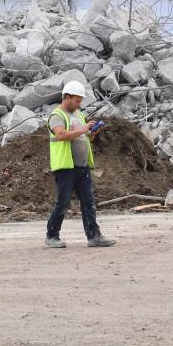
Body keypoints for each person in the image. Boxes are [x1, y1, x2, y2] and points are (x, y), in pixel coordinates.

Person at [45, 80, 115, 248]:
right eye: (76, 100)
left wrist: (91, 133)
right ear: (67, 97)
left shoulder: (78, 115)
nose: (79, 104)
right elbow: (61, 135)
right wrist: (83, 130)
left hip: (82, 167)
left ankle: (94, 236)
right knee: (63, 202)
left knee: (88, 202)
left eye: (80, 101)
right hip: (66, 167)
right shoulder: (57, 116)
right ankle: (52, 235)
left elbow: (82, 137)